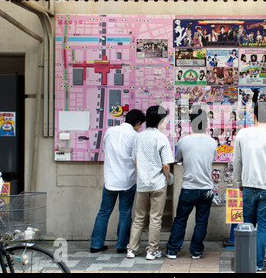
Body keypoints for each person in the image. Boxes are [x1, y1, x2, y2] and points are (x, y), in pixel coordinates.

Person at [233, 101, 266, 271]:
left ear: (253, 115)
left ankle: (246, 260)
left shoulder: (242, 134)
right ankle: (257, 263)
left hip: (247, 186)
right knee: (263, 227)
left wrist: (239, 183)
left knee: (247, 223)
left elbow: (237, 162)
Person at [165, 106, 218, 259]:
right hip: (206, 188)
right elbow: (210, 159)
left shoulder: (183, 141)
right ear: (206, 123)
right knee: (201, 221)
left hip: (189, 186)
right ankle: (196, 251)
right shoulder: (212, 142)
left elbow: (179, 158)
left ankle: (172, 250)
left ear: (191, 122)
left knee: (181, 219)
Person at [90, 109, 146, 253]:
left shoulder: (110, 131)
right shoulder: (135, 136)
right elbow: (137, 158)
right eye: (140, 125)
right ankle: (121, 245)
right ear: (138, 123)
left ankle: (96, 244)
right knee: (125, 212)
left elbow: (105, 149)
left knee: (104, 211)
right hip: (128, 180)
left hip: (110, 179)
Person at [127, 105, 174, 260]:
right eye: (165, 118)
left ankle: (132, 249)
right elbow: (166, 164)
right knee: (155, 218)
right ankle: (152, 251)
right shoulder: (161, 138)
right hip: (158, 184)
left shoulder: (139, 137)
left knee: (139, 217)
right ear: (159, 120)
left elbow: (134, 160)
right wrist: (167, 177)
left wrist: (143, 171)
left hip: (141, 184)